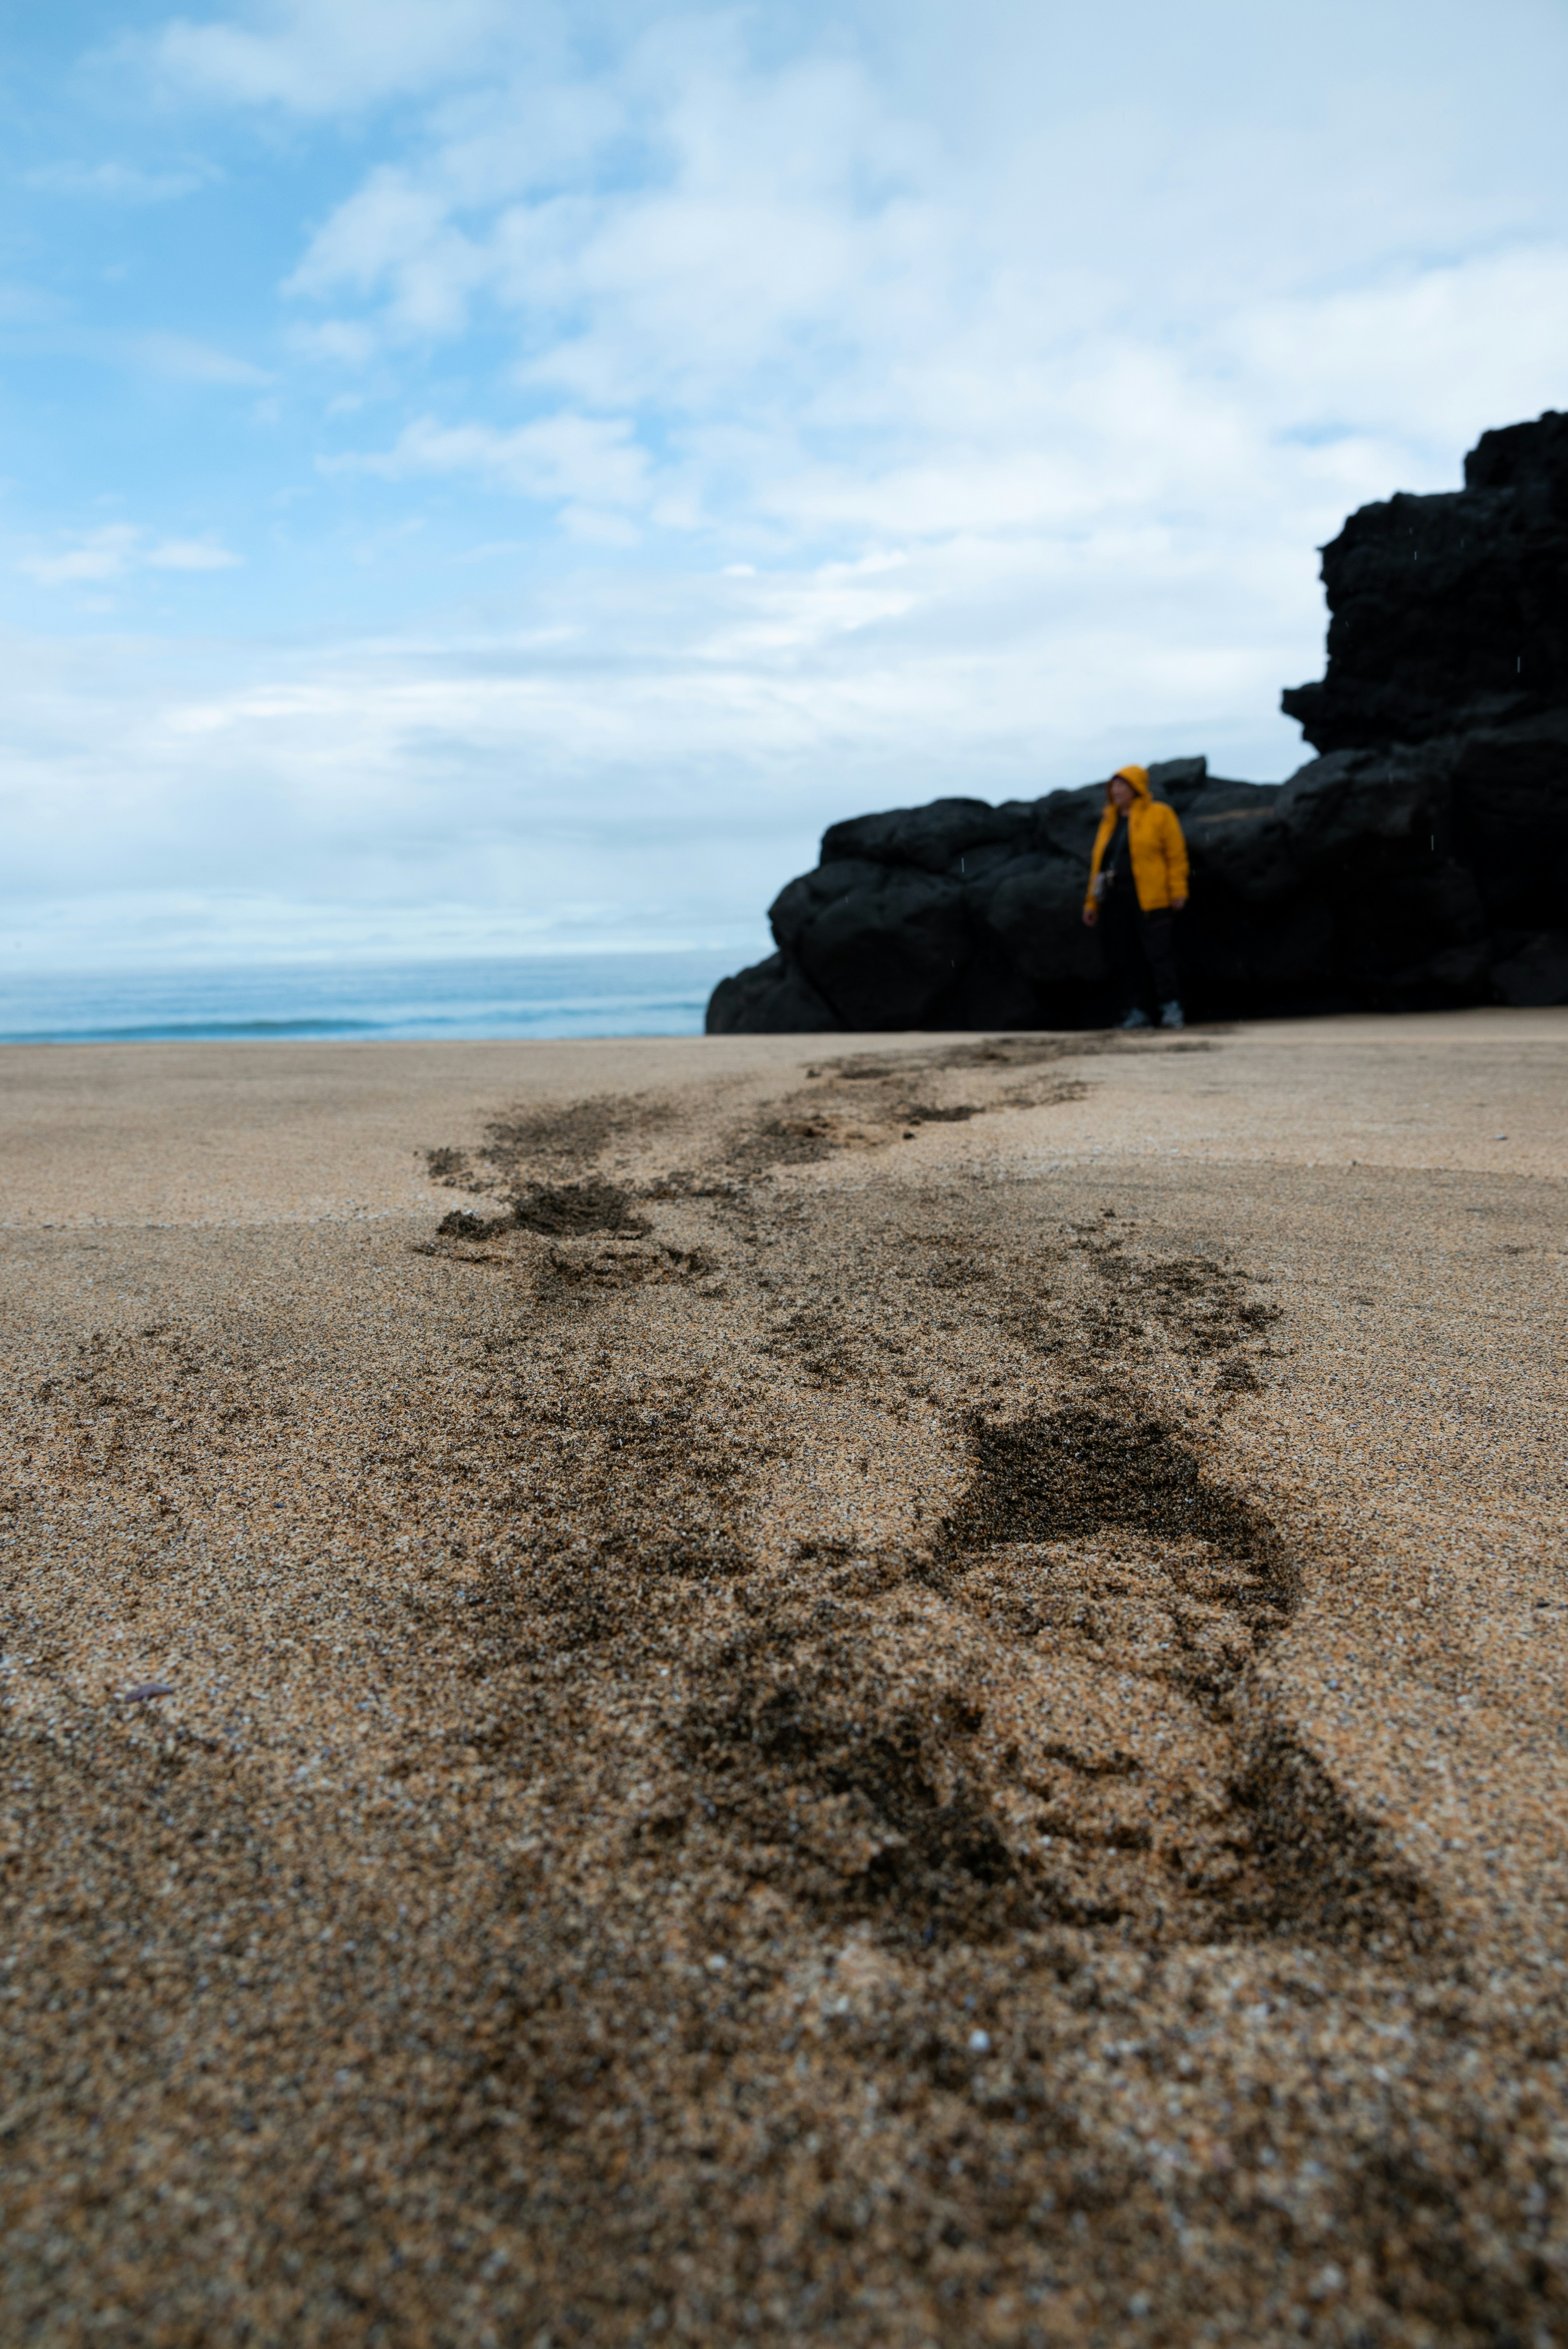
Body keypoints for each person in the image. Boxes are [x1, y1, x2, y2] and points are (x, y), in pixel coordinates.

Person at [1082, 764, 1189, 1030]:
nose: (1116, 791)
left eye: (1122, 785)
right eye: (1113, 786)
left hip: (1153, 899)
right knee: (1126, 957)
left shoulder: (1160, 814)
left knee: (1159, 955)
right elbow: (1099, 865)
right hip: (1116, 900)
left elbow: (1176, 855)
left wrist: (1178, 890)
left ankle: (1171, 1008)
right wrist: (1092, 903)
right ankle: (1137, 1012)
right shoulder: (1109, 821)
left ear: (1137, 787)